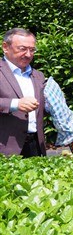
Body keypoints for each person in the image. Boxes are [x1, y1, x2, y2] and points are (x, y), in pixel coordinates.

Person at [0, 28, 46, 157]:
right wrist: (15, 104)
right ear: (5, 47)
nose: (28, 54)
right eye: (22, 49)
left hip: (36, 146)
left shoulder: (38, 76)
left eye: (32, 50)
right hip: (4, 148)